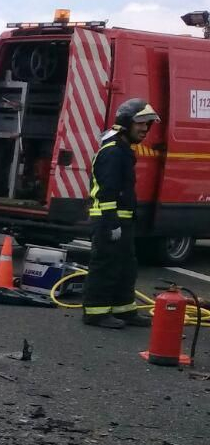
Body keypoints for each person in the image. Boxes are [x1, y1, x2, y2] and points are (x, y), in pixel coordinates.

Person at [81, 98, 158, 329]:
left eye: (148, 125)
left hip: (122, 220)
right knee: (105, 265)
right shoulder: (113, 153)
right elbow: (106, 192)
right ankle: (95, 312)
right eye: (140, 124)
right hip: (108, 221)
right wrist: (112, 221)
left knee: (126, 266)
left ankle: (124, 310)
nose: (145, 129)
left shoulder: (123, 151)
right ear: (126, 123)